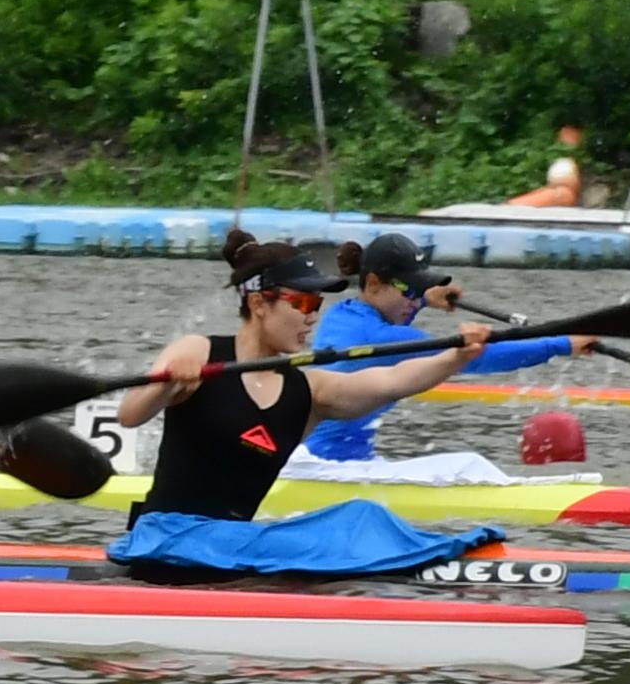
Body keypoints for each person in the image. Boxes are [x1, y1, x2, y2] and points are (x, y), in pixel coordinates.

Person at [104, 231, 496, 578]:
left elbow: (390, 382)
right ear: (259, 304)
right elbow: (130, 414)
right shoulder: (200, 351)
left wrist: (457, 357)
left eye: (318, 305)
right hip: (166, 544)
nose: (312, 318)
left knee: (363, 515)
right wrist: (168, 383)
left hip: (229, 551)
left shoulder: (309, 390)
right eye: (304, 302)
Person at [285, 231, 589, 486]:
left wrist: (422, 300)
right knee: (469, 465)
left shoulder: (342, 315)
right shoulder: (383, 339)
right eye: (409, 290)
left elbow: (388, 316)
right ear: (374, 283)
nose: (414, 299)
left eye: (419, 290)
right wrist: (562, 344)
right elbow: (481, 356)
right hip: (328, 472)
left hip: (319, 461)